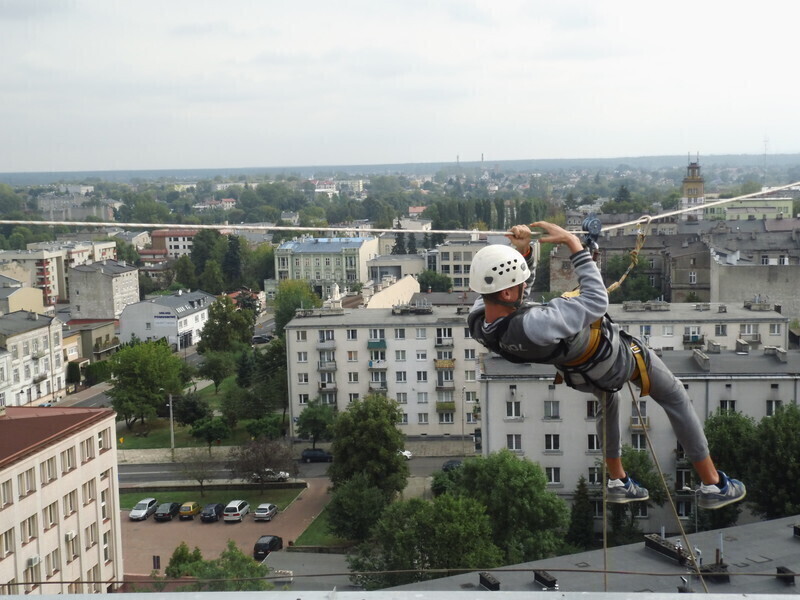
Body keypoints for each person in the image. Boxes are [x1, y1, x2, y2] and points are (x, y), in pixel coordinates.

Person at [467, 221, 746, 509]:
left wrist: (522, 252)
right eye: (519, 284)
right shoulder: (538, 323)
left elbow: (516, 297)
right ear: (507, 294)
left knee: (609, 398)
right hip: (615, 360)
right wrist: (575, 246)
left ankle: (617, 480)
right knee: (675, 396)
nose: (525, 286)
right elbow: (597, 301)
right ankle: (713, 484)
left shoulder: (480, 323)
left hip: (579, 374)